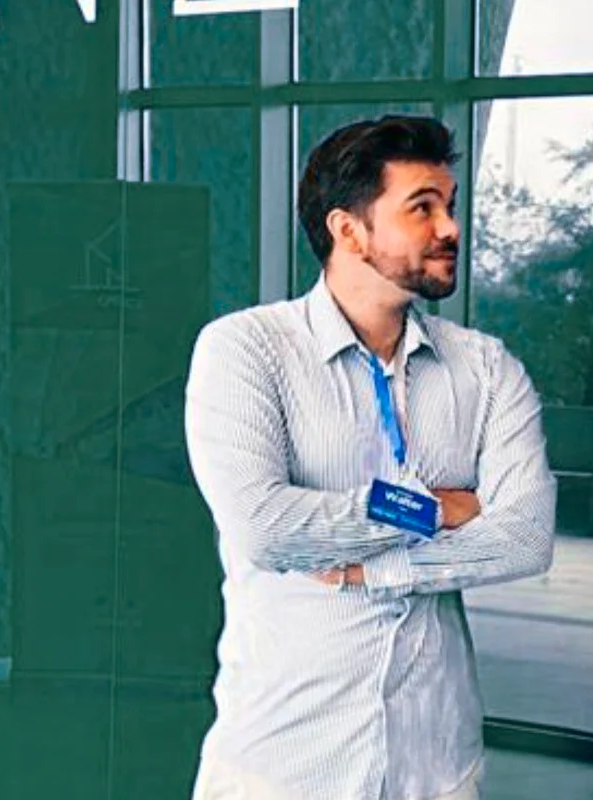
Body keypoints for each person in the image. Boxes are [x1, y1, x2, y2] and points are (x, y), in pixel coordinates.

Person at [184, 115, 557, 800]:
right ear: (348, 230)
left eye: (450, 205)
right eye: (422, 207)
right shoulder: (246, 351)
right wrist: (435, 508)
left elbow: (526, 538)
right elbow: (266, 530)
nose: (450, 228)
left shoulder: (486, 370)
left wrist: (373, 568)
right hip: (284, 767)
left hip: (436, 768)